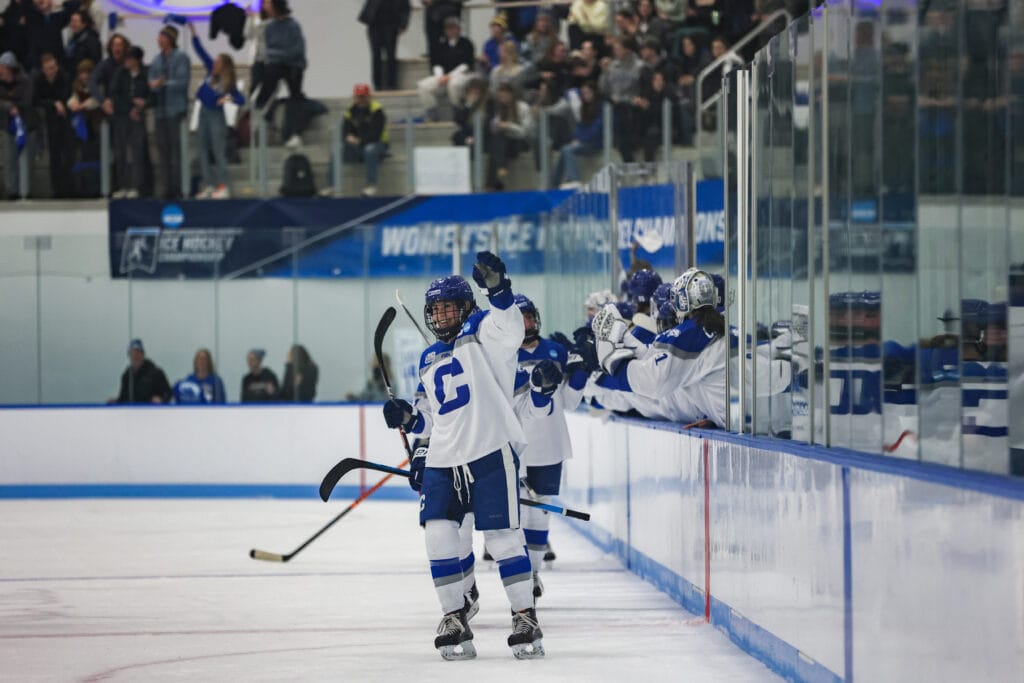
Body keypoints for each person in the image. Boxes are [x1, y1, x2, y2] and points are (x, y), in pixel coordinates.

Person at [381, 252, 544, 660]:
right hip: (443, 458)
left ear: (466, 306)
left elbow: (510, 327)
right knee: (438, 534)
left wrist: (499, 289)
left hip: (489, 451)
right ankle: (453, 616)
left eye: (447, 306)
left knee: (502, 538)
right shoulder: (428, 358)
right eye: (435, 309)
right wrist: (409, 420)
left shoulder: (483, 331)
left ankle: (524, 616)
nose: (440, 315)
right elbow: (434, 417)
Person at [511, 294, 585, 599]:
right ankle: (518, 575)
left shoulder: (556, 351)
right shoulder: (501, 354)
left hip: (549, 445)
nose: (527, 322)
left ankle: (533, 575)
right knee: (514, 517)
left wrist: (580, 374)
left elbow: (569, 401)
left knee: (540, 512)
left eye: (530, 316)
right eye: (521, 318)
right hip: (513, 446)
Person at [591, 269, 729, 428]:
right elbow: (655, 357)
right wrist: (626, 338)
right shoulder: (722, 327)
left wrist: (603, 373)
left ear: (683, 299)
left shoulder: (692, 333)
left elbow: (653, 381)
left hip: (736, 424)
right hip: (742, 421)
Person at [188, 22, 244, 199]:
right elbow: (200, 51)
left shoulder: (228, 82)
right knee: (202, 150)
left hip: (216, 116)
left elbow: (241, 99)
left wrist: (226, 99)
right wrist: (194, 33)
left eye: (218, 62)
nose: (215, 63)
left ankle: (224, 186)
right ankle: (210, 185)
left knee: (218, 152)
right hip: (203, 113)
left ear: (224, 66)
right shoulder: (209, 71)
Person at [255, 0, 306, 148]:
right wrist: (280, 55)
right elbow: (268, 51)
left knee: (295, 95)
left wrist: (279, 55)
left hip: (293, 66)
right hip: (276, 66)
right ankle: (264, 117)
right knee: (266, 82)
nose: (265, 6)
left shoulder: (293, 26)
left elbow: (296, 51)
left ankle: (295, 133)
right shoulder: (270, 27)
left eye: (268, 3)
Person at [148, 23, 190, 199]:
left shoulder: (181, 57)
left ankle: (179, 186)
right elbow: (151, 81)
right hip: (160, 110)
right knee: (162, 151)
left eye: (163, 37)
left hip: (175, 110)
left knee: (176, 151)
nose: (159, 40)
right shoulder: (156, 60)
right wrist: (155, 85)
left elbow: (182, 82)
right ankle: (164, 188)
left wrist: (164, 83)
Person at [417, 15, 474, 121]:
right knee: (423, 86)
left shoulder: (466, 44)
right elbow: (436, 63)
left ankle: (457, 112)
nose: (451, 31)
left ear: (459, 29)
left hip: (461, 76)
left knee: (454, 84)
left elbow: (466, 65)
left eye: (454, 28)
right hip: (442, 77)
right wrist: (440, 77)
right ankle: (432, 115)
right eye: (449, 28)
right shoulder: (439, 44)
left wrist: (449, 76)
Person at [108, 45, 148, 198]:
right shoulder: (120, 74)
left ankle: (136, 186)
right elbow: (114, 94)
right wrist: (129, 106)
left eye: (129, 59)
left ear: (136, 60)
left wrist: (141, 106)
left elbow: (150, 95)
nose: (126, 62)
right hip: (121, 117)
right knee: (120, 152)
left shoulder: (145, 74)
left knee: (137, 153)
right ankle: (122, 185)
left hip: (138, 117)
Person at [32, 52, 72, 198]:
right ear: (43, 69)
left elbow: (67, 94)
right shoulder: (38, 80)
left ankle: (68, 188)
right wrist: (53, 103)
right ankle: (56, 189)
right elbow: (35, 100)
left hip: (65, 119)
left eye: (54, 67)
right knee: (54, 156)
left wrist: (60, 104)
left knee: (67, 154)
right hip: (48, 120)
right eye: (49, 68)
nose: (53, 70)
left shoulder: (63, 76)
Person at [550, 80, 603, 188]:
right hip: (584, 141)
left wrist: (581, 139)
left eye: (588, 93)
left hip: (596, 143)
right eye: (583, 93)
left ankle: (574, 179)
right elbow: (580, 127)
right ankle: (553, 184)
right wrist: (577, 138)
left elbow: (597, 129)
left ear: (594, 92)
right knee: (565, 149)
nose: (585, 96)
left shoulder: (602, 107)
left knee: (567, 149)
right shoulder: (585, 107)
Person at [342, 82, 388, 197]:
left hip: (379, 145)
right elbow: (345, 131)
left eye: (363, 96)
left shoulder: (377, 110)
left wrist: (359, 141)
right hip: (357, 146)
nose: (361, 100)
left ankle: (371, 185)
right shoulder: (350, 111)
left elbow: (376, 135)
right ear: (354, 97)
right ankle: (332, 186)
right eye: (358, 97)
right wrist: (348, 138)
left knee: (369, 149)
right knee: (337, 151)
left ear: (369, 97)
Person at [0, 50, 33, 199]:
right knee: (9, 160)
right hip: (7, 125)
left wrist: (12, 104)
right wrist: (8, 106)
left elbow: (26, 101)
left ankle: (25, 190)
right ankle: (11, 191)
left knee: (25, 158)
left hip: (24, 125)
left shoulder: (25, 81)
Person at [486, 82, 531, 191]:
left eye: (505, 95)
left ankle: (492, 181)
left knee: (497, 145)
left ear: (512, 95)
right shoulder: (498, 109)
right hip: (503, 142)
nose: (503, 98)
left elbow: (525, 132)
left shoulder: (523, 107)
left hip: (521, 142)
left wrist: (508, 126)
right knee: (497, 142)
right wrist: (495, 126)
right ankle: (499, 174)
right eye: (501, 96)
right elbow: (493, 128)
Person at [358, 0, 410, 91]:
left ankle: (392, 84)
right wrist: (366, 17)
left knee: (391, 55)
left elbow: (406, 7)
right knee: (376, 56)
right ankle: (377, 84)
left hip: (391, 25)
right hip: (374, 25)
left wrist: (403, 24)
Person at [112, 339, 172, 404]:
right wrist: (117, 401)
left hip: (151, 409)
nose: (135, 356)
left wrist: (161, 399)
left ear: (143, 354)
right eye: (132, 353)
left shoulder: (156, 373)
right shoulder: (126, 376)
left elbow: (168, 393)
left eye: (138, 353)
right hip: (132, 409)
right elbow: (124, 397)